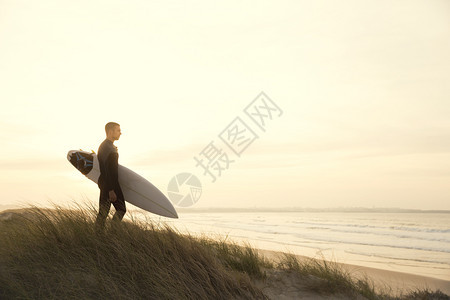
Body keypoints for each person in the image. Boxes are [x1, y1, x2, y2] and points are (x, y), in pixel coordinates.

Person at [95, 122, 126, 230]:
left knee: (103, 213)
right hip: (110, 185)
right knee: (120, 209)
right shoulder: (107, 148)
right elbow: (106, 170)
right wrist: (111, 190)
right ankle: (111, 234)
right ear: (110, 131)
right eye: (118, 130)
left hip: (107, 184)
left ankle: (100, 235)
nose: (120, 133)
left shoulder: (107, 146)